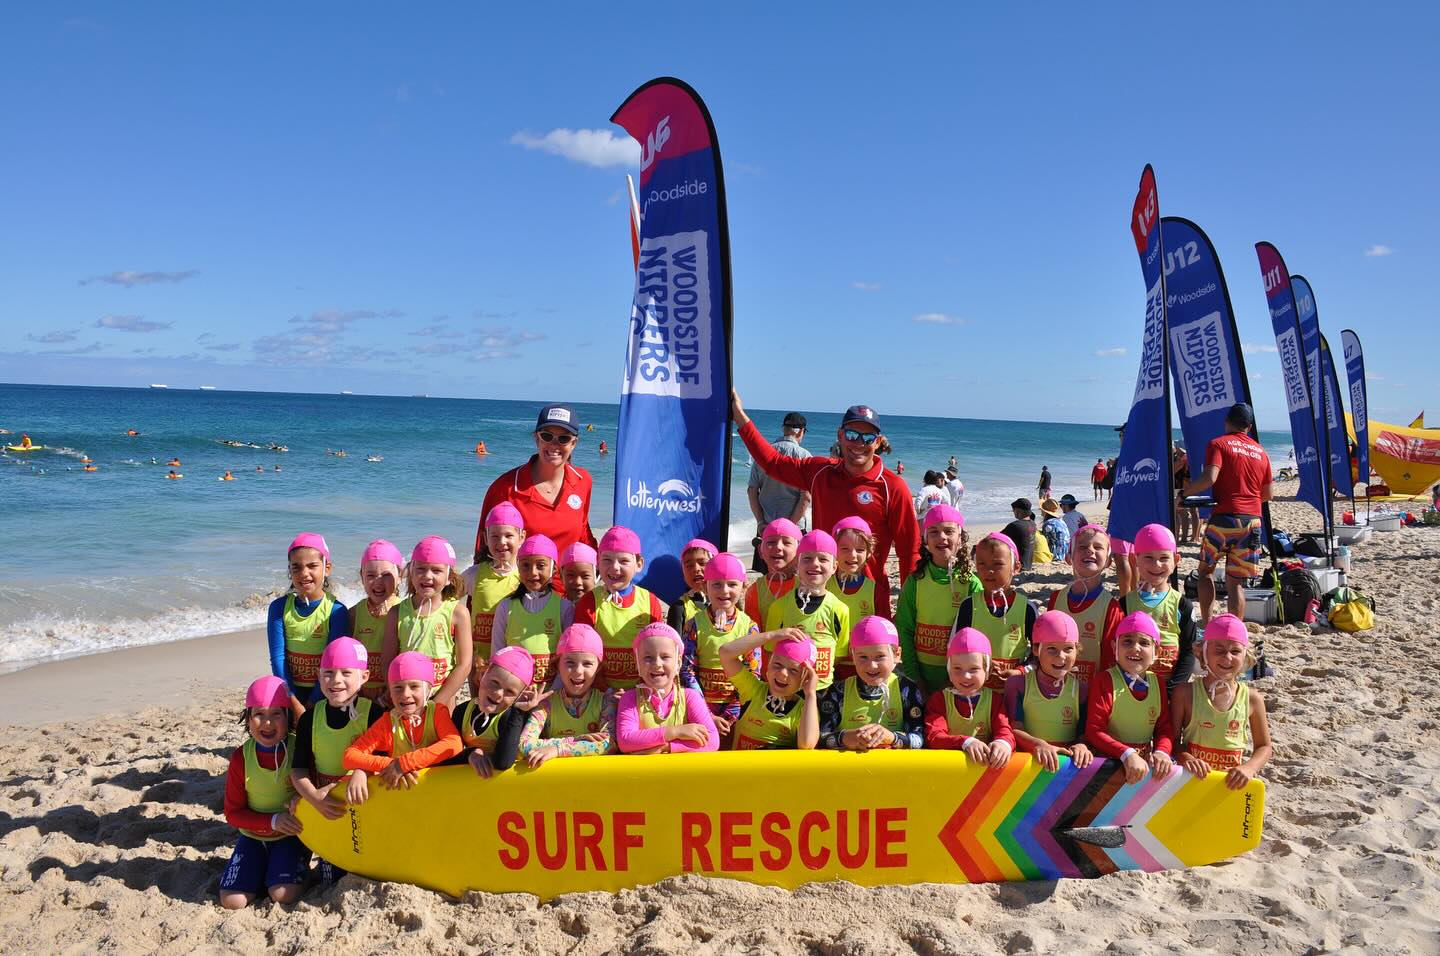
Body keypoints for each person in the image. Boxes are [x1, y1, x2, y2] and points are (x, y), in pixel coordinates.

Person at [732, 392, 920, 619]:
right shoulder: (820, 472)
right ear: (840, 436)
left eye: (868, 438)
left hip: (869, 601)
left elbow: (909, 552)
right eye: (852, 434)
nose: (859, 443)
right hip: (818, 595)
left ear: (878, 442)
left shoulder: (892, 487)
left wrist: (910, 613)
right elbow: (773, 463)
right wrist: (739, 415)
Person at [288, 638, 384, 883]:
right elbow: (298, 769)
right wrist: (313, 796)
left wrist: (362, 771)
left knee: (368, 869)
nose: (336, 680)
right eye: (328, 673)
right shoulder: (311, 718)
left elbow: (383, 761)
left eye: (346, 673)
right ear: (319, 676)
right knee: (330, 878)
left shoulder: (373, 713)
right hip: (328, 807)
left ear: (364, 677)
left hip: (366, 808)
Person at [476, 403, 596, 591]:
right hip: (518, 600)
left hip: (568, 597)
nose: (554, 445)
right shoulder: (505, 488)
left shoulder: (583, 481)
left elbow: (583, 536)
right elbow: (483, 550)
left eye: (563, 439)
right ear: (537, 439)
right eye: (547, 436)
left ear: (574, 444)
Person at [220, 676, 308, 909]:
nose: (267, 723)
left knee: (282, 894)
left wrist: (302, 797)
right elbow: (233, 813)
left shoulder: (298, 748)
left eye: (276, 714)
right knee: (232, 901)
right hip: (253, 837)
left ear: (287, 717)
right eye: (259, 714)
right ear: (248, 718)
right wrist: (273, 820)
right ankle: (265, 870)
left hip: (290, 837)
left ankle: (281, 873)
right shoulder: (241, 757)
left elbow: (315, 786)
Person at [1183, 403, 1273, 623]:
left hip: (1224, 517)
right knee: (1236, 583)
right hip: (1252, 522)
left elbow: (1209, 478)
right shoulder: (1262, 452)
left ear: (1227, 422)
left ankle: (1207, 623)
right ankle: (1234, 632)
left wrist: (1183, 494)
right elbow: (1268, 494)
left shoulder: (1219, 444)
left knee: (1205, 572)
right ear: (1249, 427)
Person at [1173, 614, 1273, 788]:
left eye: (1235, 651)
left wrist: (1248, 768)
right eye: (1219, 651)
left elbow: (1264, 747)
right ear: (1203, 653)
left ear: (1245, 655)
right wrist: (1185, 757)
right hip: (1192, 781)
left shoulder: (1252, 698)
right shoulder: (1185, 693)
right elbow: (1171, 740)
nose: (1227, 658)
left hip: (1230, 784)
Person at [343, 652, 464, 789]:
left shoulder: (437, 713)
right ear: (390, 691)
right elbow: (350, 756)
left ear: (428, 689)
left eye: (414, 686)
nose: (405, 694)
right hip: (403, 799)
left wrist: (404, 764)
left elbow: (454, 744)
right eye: (398, 688)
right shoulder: (388, 722)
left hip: (438, 791)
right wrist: (389, 765)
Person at [896, 504, 982, 695]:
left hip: (959, 679)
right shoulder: (915, 581)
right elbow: (904, 628)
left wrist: (953, 680)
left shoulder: (971, 584)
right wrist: (915, 677)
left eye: (949, 531)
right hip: (919, 675)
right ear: (925, 540)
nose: (942, 537)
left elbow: (976, 635)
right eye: (933, 532)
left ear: (960, 538)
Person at [381, 536, 472, 709]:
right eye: (421, 569)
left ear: (449, 577)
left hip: (442, 699)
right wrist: (396, 691)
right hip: (406, 699)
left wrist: (439, 701)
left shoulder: (458, 613)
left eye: (436, 571)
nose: (427, 576)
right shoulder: (397, 612)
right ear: (411, 572)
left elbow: (464, 664)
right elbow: (387, 661)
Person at [1084, 612, 1174, 785]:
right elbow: (1094, 730)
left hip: (1143, 768)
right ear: (1114, 647)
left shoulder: (1157, 683)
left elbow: (1164, 728)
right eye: (1127, 641)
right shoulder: (1104, 680)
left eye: (1144, 643)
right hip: (1109, 768)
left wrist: (1162, 751)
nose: (1135, 648)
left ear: (1157, 651)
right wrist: (1127, 753)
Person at [572, 526, 664, 690]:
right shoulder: (588, 602)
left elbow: (658, 651)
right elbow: (582, 653)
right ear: (598, 561)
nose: (614, 567)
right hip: (599, 690)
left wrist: (640, 688)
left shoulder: (650, 602)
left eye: (623, 561)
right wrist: (606, 690)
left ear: (639, 564)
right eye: (607, 560)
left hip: (641, 689)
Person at [267, 533, 349, 716]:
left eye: (312, 566)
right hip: (289, 692)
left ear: (327, 568)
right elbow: (277, 658)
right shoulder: (278, 608)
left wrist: (313, 702)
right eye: (296, 567)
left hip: (325, 692)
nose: (304, 573)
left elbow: (332, 663)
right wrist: (293, 701)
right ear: (290, 571)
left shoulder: (336, 611)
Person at [818, 616, 926, 750]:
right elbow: (818, 738)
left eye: (880, 656)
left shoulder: (906, 690)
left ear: (897, 655)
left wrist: (892, 737)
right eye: (863, 657)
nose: (872, 666)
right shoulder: (838, 692)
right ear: (853, 656)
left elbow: (920, 738)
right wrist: (844, 737)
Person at [517, 624, 618, 767]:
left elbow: (609, 744)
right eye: (570, 663)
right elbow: (523, 745)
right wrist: (575, 741)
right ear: (558, 665)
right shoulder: (546, 704)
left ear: (598, 668)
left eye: (587, 664)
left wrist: (558, 749)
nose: (578, 671)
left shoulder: (606, 702)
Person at [682, 551, 759, 735]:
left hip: (739, 710)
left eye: (732, 584)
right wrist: (706, 714)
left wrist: (732, 714)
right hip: (700, 710)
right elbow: (686, 671)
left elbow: (753, 675)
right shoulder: (694, 624)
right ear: (705, 587)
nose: (724, 591)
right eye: (716, 584)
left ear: (743, 587)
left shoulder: (749, 627)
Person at [1005, 613, 1094, 772]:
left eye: (1068, 649)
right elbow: (1014, 728)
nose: (1061, 657)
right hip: (1029, 767)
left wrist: (1082, 745)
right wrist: (1039, 745)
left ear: (1077, 650)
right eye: (1052, 649)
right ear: (1035, 650)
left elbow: (1084, 732)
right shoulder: (1019, 685)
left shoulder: (1081, 690)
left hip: (1065, 769)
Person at [764, 530, 851, 691]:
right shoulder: (779, 607)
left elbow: (838, 655)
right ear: (797, 563)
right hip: (789, 692)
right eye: (807, 559)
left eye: (823, 559)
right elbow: (770, 651)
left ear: (834, 567)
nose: (815, 564)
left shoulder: (840, 610)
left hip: (822, 691)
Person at [616, 623, 719, 754]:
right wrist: (676, 731)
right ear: (637, 663)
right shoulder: (629, 699)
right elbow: (626, 741)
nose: (657, 664)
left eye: (665, 657)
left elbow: (712, 741)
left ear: (678, 663)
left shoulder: (689, 697)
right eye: (648, 658)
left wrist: (667, 747)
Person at [1115, 523, 1196, 689]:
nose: (1156, 565)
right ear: (1134, 560)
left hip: (1169, 686)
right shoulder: (1125, 604)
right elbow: (1116, 648)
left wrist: (1174, 687)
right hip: (1132, 687)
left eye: (1164, 558)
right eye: (1148, 558)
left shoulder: (1182, 605)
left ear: (1176, 561)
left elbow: (1189, 651)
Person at [953, 533, 1035, 690]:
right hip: (977, 692)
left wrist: (1020, 671)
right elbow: (955, 649)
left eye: (997, 564)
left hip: (1013, 691)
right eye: (982, 564)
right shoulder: (969, 606)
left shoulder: (1026, 609)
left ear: (1015, 567)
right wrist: (982, 664)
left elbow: (1039, 656)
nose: (989, 571)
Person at [923, 628, 1015, 767]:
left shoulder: (994, 700)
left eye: (973, 669)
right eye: (957, 668)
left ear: (988, 671)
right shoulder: (939, 700)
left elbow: (1004, 729)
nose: (965, 676)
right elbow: (934, 737)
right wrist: (965, 742)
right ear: (949, 669)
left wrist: (1003, 743)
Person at [491, 534, 573, 688]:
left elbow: (568, 659)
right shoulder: (505, 607)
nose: (533, 572)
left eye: (541, 566)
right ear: (518, 566)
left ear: (554, 568)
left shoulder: (565, 608)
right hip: (514, 693)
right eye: (526, 565)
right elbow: (497, 654)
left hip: (550, 695)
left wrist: (551, 695)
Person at [1043, 524, 1122, 685]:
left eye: (1098, 547)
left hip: (1092, 690)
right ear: (1068, 556)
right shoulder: (1056, 599)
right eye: (1083, 546)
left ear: (1108, 561)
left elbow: (1111, 661)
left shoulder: (1112, 608)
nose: (1090, 550)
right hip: (1058, 688)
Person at [720, 630, 820, 750]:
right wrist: (770, 636)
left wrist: (811, 694)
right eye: (777, 665)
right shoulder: (753, 691)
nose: (783, 673)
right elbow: (725, 653)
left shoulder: (804, 710)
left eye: (793, 670)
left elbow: (807, 744)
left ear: (805, 678)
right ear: (769, 664)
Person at [453, 646, 541, 777]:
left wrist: (518, 712)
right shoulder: (462, 712)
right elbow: (448, 755)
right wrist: (470, 754)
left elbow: (503, 762)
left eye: (510, 692)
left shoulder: (511, 717)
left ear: (519, 696)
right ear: (482, 675)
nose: (499, 693)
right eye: (494, 682)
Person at [745, 411, 813, 572]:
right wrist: (790, 526)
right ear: (801, 431)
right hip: (794, 526)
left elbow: (752, 491)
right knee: (794, 575)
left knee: (768, 576)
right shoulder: (805, 457)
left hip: (767, 525)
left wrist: (760, 521)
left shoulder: (763, 454)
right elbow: (806, 497)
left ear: (784, 429)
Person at [463, 502, 524, 667]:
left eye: (509, 536)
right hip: (478, 662)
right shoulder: (474, 574)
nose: (501, 542)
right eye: (495, 536)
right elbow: (446, 601)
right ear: (485, 538)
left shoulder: (525, 577)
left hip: (513, 663)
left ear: (522, 537)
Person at [349, 539, 404, 699]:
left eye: (386, 575)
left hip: (393, 695)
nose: (378, 582)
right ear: (361, 576)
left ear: (399, 576)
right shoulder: (354, 613)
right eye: (371, 575)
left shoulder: (406, 612)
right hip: (361, 694)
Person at [744, 517, 799, 626]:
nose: (778, 547)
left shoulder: (805, 586)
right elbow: (753, 633)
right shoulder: (755, 590)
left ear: (799, 551)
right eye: (771, 542)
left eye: (786, 542)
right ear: (760, 551)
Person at [828, 516, 877, 623]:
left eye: (860, 550)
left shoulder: (875, 590)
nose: (853, 555)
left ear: (869, 552)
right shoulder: (823, 586)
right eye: (845, 549)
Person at [666, 538, 717, 632]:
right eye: (689, 565)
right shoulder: (679, 608)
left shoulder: (728, 600)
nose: (696, 569)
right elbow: (674, 646)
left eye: (702, 563)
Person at [999, 498, 1038, 571]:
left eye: (1013, 511)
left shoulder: (1015, 526)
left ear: (1018, 511)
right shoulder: (1033, 524)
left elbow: (996, 537)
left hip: (1019, 566)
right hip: (1028, 565)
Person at [1172, 445, 1199, 544]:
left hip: (1185, 486)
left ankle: (1189, 537)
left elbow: (1173, 471)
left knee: (1186, 512)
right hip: (1181, 486)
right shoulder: (1180, 457)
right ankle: (1188, 537)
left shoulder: (1185, 458)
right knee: (1184, 513)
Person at [1040, 498, 1070, 563]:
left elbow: (1047, 542)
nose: (1040, 512)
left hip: (1056, 555)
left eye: (1041, 510)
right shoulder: (1061, 521)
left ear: (1045, 511)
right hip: (1065, 553)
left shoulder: (1048, 524)